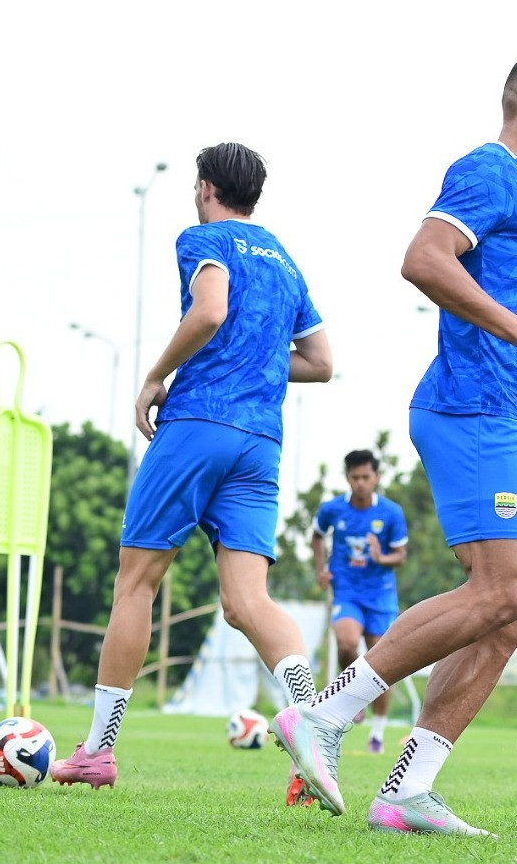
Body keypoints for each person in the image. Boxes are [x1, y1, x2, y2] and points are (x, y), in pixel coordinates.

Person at [275, 48, 517, 835]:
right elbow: (423, 259)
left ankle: (408, 787)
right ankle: (323, 717)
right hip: (467, 409)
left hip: (506, 413)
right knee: (501, 590)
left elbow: (506, 298)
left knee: (513, 613)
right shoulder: (488, 169)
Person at [50, 142, 333, 790]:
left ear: (206, 187)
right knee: (246, 600)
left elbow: (208, 309)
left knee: (137, 582)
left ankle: (97, 749)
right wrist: (257, 356)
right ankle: (312, 719)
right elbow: (319, 361)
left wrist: (156, 375)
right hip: (260, 441)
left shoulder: (203, 238)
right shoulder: (285, 261)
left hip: (198, 423)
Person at [310, 448, 409, 764]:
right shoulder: (333, 509)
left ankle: (377, 734)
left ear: (376, 477)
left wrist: (383, 558)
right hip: (347, 592)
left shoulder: (392, 513)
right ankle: (356, 699)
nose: (361, 483)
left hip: (381, 596)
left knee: (383, 664)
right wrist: (320, 568)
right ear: (348, 478)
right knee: (347, 643)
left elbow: (401, 556)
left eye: (366, 477)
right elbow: (316, 536)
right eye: (355, 478)